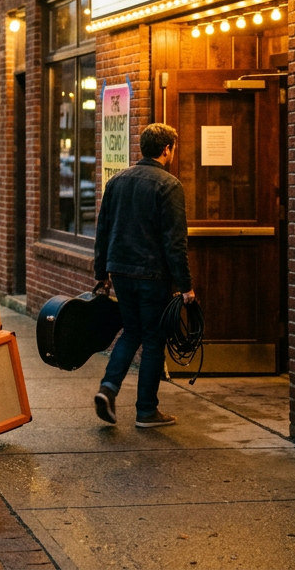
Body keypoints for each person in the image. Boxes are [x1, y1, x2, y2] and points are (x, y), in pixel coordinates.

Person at [92, 123, 194, 429]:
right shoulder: (169, 185)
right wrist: (186, 286)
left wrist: (102, 273)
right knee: (153, 339)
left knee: (132, 332)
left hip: (120, 271)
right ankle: (146, 410)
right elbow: (175, 242)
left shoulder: (117, 181)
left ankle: (108, 388)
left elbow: (103, 230)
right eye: (173, 149)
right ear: (166, 150)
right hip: (152, 276)